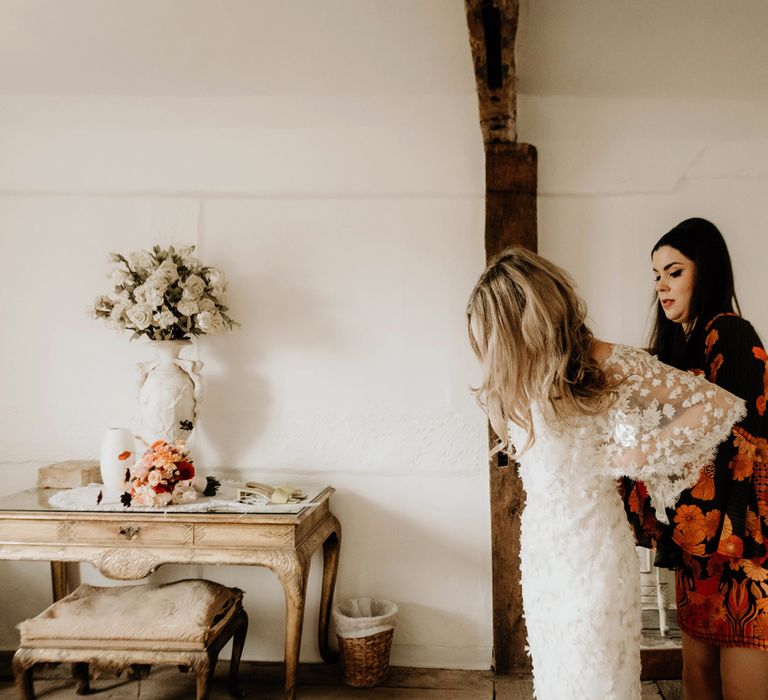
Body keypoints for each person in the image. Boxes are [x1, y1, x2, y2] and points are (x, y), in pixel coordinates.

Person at [467, 246, 745, 700]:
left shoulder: (606, 362)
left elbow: (716, 404)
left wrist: (634, 454)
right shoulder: (513, 378)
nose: (494, 351)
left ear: (527, 319)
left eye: (495, 335)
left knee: (596, 680)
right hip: (541, 556)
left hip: (593, 554)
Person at [621, 217, 768, 699]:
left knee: (737, 681)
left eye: (674, 271)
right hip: (699, 542)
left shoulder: (730, 331)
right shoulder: (679, 347)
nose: (661, 284)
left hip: (744, 541)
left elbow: (735, 424)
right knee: (698, 678)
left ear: (706, 273)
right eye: (656, 274)